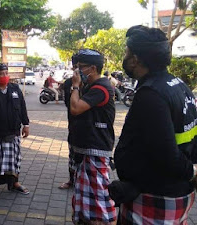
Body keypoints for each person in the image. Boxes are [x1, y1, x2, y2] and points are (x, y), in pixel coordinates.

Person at [114, 25, 197, 224]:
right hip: (168, 191)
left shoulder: (151, 94)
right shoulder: (177, 84)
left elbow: (167, 154)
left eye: (127, 53)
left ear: (136, 59)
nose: (124, 57)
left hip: (156, 198)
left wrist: (190, 173)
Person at [70, 49, 117, 224]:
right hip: (87, 149)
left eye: (80, 67)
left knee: (100, 203)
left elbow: (75, 108)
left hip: (95, 151)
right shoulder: (92, 86)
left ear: (93, 68)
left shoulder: (101, 88)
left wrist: (75, 86)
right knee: (87, 202)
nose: (77, 71)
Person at [0, 63, 30, 200]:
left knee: (14, 160)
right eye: (2, 74)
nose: (5, 76)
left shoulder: (15, 89)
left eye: (6, 73)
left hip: (13, 133)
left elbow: (22, 107)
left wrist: (26, 124)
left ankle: (15, 183)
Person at [58, 60, 77, 190]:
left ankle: (82, 182)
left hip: (92, 129)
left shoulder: (94, 84)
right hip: (74, 124)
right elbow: (68, 105)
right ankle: (71, 180)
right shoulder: (69, 83)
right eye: (76, 67)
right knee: (72, 153)